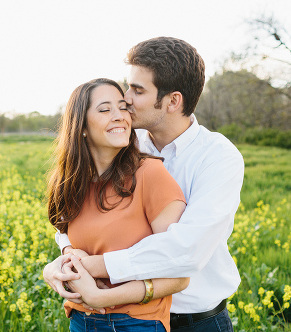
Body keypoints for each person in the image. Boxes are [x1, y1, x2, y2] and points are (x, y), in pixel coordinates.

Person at [43, 37, 244, 332]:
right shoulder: (123, 146)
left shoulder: (218, 157)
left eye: (137, 90)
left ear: (172, 101)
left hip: (195, 321)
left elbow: (185, 251)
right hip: (126, 316)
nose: (126, 98)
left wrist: (93, 267)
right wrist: (65, 255)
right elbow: (80, 218)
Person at [48, 78, 190, 331]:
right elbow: (67, 241)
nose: (119, 116)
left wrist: (102, 297)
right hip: (80, 320)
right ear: (81, 126)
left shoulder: (149, 174)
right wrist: (61, 262)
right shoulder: (70, 182)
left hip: (136, 323)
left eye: (123, 107)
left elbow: (179, 273)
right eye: (105, 110)